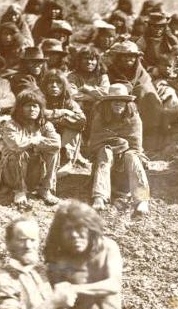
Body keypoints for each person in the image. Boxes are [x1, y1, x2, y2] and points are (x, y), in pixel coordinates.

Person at [87, 83, 150, 215]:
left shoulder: (134, 117)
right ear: (108, 103)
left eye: (122, 101)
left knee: (132, 156)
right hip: (105, 164)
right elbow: (94, 144)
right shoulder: (100, 117)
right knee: (105, 152)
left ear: (127, 103)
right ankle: (100, 197)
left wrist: (122, 147)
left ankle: (141, 200)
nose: (118, 104)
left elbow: (136, 146)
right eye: (114, 101)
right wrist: (116, 144)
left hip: (126, 167)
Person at [0, 88, 61, 206]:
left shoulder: (46, 125)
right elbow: (16, 145)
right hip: (12, 173)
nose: (32, 109)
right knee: (18, 152)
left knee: (53, 152)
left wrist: (35, 144)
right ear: (20, 108)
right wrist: (34, 140)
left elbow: (56, 144)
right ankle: (19, 190)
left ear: (40, 109)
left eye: (35, 106)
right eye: (27, 106)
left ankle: (45, 189)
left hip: (36, 172)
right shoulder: (11, 124)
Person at [106, 41, 164, 138]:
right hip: (119, 107)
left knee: (144, 90)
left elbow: (149, 92)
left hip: (142, 109)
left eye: (132, 56)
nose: (129, 59)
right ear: (119, 58)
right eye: (125, 56)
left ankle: (150, 131)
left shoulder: (141, 72)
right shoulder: (111, 71)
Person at [40, 69, 86, 165]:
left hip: (64, 141)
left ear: (64, 86)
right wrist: (62, 112)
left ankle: (67, 159)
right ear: (45, 85)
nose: (54, 85)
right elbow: (37, 115)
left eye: (58, 82)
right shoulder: (39, 99)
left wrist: (59, 120)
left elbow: (81, 121)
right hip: (44, 139)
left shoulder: (69, 103)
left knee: (73, 129)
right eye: (50, 82)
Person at [68, 45, 110, 125]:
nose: (89, 62)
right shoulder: (72, 76)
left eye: (92, 59)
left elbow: (105, 95)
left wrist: (86, 88)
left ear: (97, 61)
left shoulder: (102, 76)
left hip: (98, 113)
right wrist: (95, 95)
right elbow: (72, 95)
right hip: (79, 111)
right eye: (86, 58)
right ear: (79, 61)